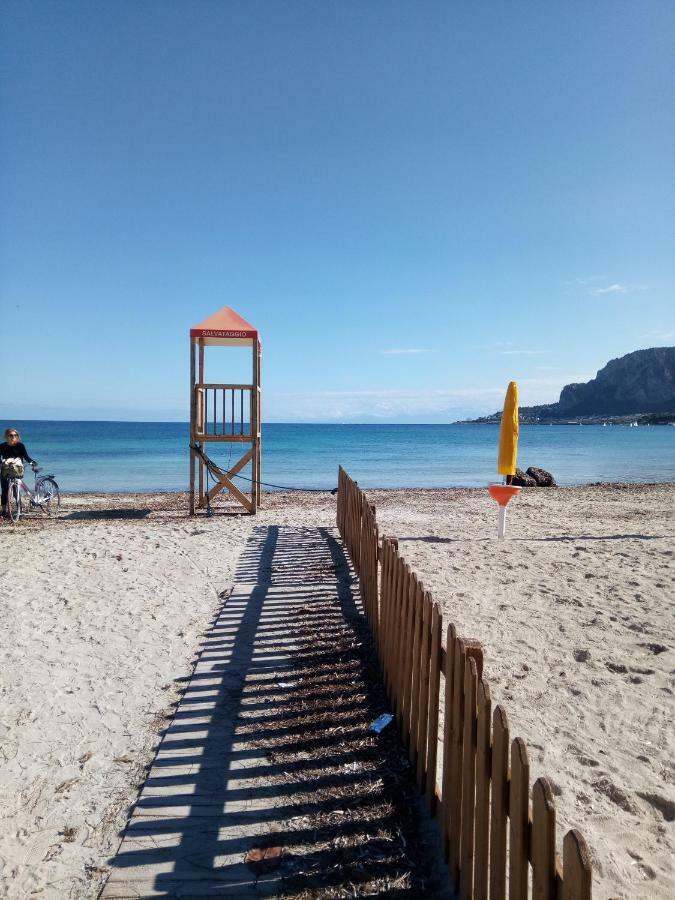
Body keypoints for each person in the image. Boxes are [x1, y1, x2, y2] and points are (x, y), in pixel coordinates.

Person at [1, 428, 36, 517]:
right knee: (4, 490)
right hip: (5, 470)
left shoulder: (20, 446)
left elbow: (26, 457)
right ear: (6, 436)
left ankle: (19, 510)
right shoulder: (2, 446)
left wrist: (32, 462)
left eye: (15, 435)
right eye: (11, 435)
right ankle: (4, 511)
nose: (13, 437)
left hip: (16, 471)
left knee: (16, 491)